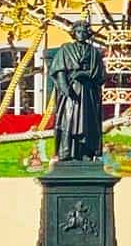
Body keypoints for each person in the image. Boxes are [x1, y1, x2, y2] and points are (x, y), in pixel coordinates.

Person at [50, 20, 107, 161]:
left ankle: (86, 151)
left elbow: (100, 74)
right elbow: (59, 70)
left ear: (88, 34)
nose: (81, 34)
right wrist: (65, 89)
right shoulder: (65, 50)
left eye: (84, 32)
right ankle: (67, 152)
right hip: (72, 91)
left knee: (88, 121)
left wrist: (85, 74)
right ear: (74, 33)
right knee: (68, 120)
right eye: (78, 32)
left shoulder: (94, 52)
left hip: (88, 92)